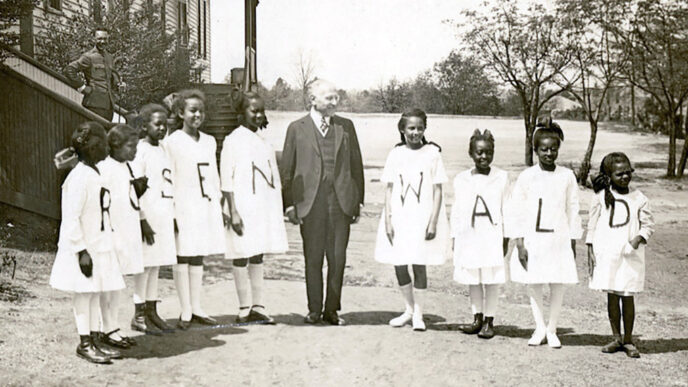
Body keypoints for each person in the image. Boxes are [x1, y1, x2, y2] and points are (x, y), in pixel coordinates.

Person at [279, 79, 365, 326]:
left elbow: (356, 164)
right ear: (313, 100)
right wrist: (289, 204)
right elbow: (288, 169)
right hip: (310, 203)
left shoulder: (346, 127)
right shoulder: (297, 128)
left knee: (337, 258)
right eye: (329, 97)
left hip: (340, 202)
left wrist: (357, 201)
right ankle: (314, 309)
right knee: (313, 258)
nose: (334, 102)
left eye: (336, 97)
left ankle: (332, 309)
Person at [50, 121, 126, 364]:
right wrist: (81, 250)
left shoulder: (95, 173)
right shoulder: (79, 177)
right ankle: (84, 343)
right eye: (100, 141)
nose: (105, 145)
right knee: (84, 294)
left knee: (94, 293)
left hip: (97, 244)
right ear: (88, 147)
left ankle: (94, 339)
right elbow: (71, 218)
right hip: (81, 248)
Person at [507, 119, 583, 348]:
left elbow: (573, 208)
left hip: (558, 238)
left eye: (553, 149)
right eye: (544, 149)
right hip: (533, 239)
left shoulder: (567, 176)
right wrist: (519, 243)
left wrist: (572, 240)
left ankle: (552, 329)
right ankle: (539, 327)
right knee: (534, 281)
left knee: (557, 282)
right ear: (536, 150)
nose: (549, 153)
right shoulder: (527, 176)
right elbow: (516, 210)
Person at [374, 109, 448, 332]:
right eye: (411, 128)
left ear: (425, 129)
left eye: (419, 128)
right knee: (399, 263)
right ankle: (408, 308)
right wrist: (388, 220)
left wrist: (433, 221)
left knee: (418, 263)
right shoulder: (396, 154)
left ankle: (419, 314)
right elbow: (389, 189)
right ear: (402, 129)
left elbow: (437, 190)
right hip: (399, 217)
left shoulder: (433, 153)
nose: (415, 132)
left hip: (422, 217)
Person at [221, 92, 288, 324]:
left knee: (258, 253)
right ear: (242, 113)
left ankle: (258, 306)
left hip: (262, 206)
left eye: (261, 111)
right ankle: (243, 307)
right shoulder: (233, 140)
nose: (259, 115)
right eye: (253, 111)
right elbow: (226, 179)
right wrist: (233, 211)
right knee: (241, 253)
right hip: (242, 206)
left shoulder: (263, 139)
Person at [165, 89, 225, 329]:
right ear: (181, 113)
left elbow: (213, 175)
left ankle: (197, 306)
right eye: (192, 111)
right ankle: (185, 309)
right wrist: (171, 212)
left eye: (200, 111)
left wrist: (218, 200)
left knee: (198, 253)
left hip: (204, 204)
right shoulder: (172, 142)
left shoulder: (209, 141)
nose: (197, 115)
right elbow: (168, 178)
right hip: (183, 204)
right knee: (183, 254)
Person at [587, 152, 654, 358]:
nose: (625, 177)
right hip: (608, 255)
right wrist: (590, 250)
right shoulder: (600, 198)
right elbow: (592, 225)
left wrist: (636, 241)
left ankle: (628, 339)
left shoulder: (639, 198)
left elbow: (648, 226)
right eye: (619, 174)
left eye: (627, 172)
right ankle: (616, 337)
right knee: (613, 295)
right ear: (609, 177)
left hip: (630, 256)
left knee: (627, 295)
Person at [451, 129, 509, 339]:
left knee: (491, 279)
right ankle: (477, 318)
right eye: (479, 152)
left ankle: (489, 321)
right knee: (473, 277)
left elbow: (506, 208)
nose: (484, 157)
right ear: (471, 153)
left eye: (488, 152)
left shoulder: (501, 177)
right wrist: (455, 237)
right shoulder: (461, 179)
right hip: (469, 235)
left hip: (491, 234)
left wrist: (506, 237)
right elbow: (457, 210)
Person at [97, 124, 148, 347]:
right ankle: (104, 327)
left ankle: (112, 326)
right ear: (115, 145)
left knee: (117, 283)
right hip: (112, 232)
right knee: (108, 283)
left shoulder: (127, 167)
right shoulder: (103, 168)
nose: (135, 150)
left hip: (128, 230)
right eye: (131, 146)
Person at [130, 104, 177, 334]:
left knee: (156, 263)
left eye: (165, 125)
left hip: (163, 213)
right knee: (144, 265)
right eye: (157, 124)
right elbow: (134, 189)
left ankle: (151, 310)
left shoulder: (164, 150)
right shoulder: (141, 151)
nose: (162, 129)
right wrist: (141, 220)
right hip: (148, 215)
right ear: (145, 125)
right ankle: (138, 313)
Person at [64, 27, 124, 121]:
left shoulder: (109, 57)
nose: (102, 41)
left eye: (105, 39)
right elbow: (69, 69)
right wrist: (82, 87)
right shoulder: (88, 57)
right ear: (94, 39)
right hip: (94, 105)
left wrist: (118, 85)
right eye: (99, 39)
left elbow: (111, 76)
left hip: (109, 106)